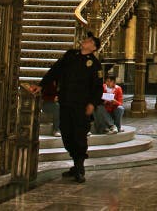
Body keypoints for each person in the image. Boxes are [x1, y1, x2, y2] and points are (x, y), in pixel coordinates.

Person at [30, 32, 103, 183]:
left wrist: (92, 104)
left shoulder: (95, 64)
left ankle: (79, 166)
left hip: (81, 106)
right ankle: (76, 162)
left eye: (89, 41)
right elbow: (55, 70)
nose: (85, 40)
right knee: (66, 133)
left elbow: (97, 88)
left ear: (94, 47)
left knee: (79, 134)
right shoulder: (70, 55)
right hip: (66, 102)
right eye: (86, 39)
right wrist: (41, 85)